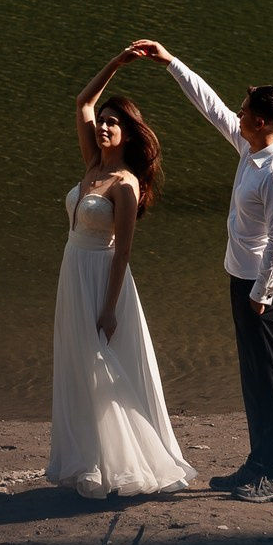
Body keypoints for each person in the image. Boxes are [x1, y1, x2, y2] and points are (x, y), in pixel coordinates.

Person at [129, 40, 273, 503]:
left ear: (260, 122)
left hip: (264, 292)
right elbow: (211, 107)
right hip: (242, 281)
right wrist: (171, 63)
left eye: (244, 112)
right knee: (251, 378)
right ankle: (256, 464)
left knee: (269, 382)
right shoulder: (249, 147)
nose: (236, 116)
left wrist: (262, 294)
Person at [46, 45, 197, 499]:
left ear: (130, 134)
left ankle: (127, 463)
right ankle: (87, 462)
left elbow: (123, 252)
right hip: (71, 272)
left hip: (101, 278)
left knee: (104, 370)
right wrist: (116, 63)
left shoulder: (126, 185)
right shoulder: (92, 165)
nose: (106, 126)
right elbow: (82, 103)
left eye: (115, 123)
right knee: (77, 366)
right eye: (105, 121)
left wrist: (109, 308)